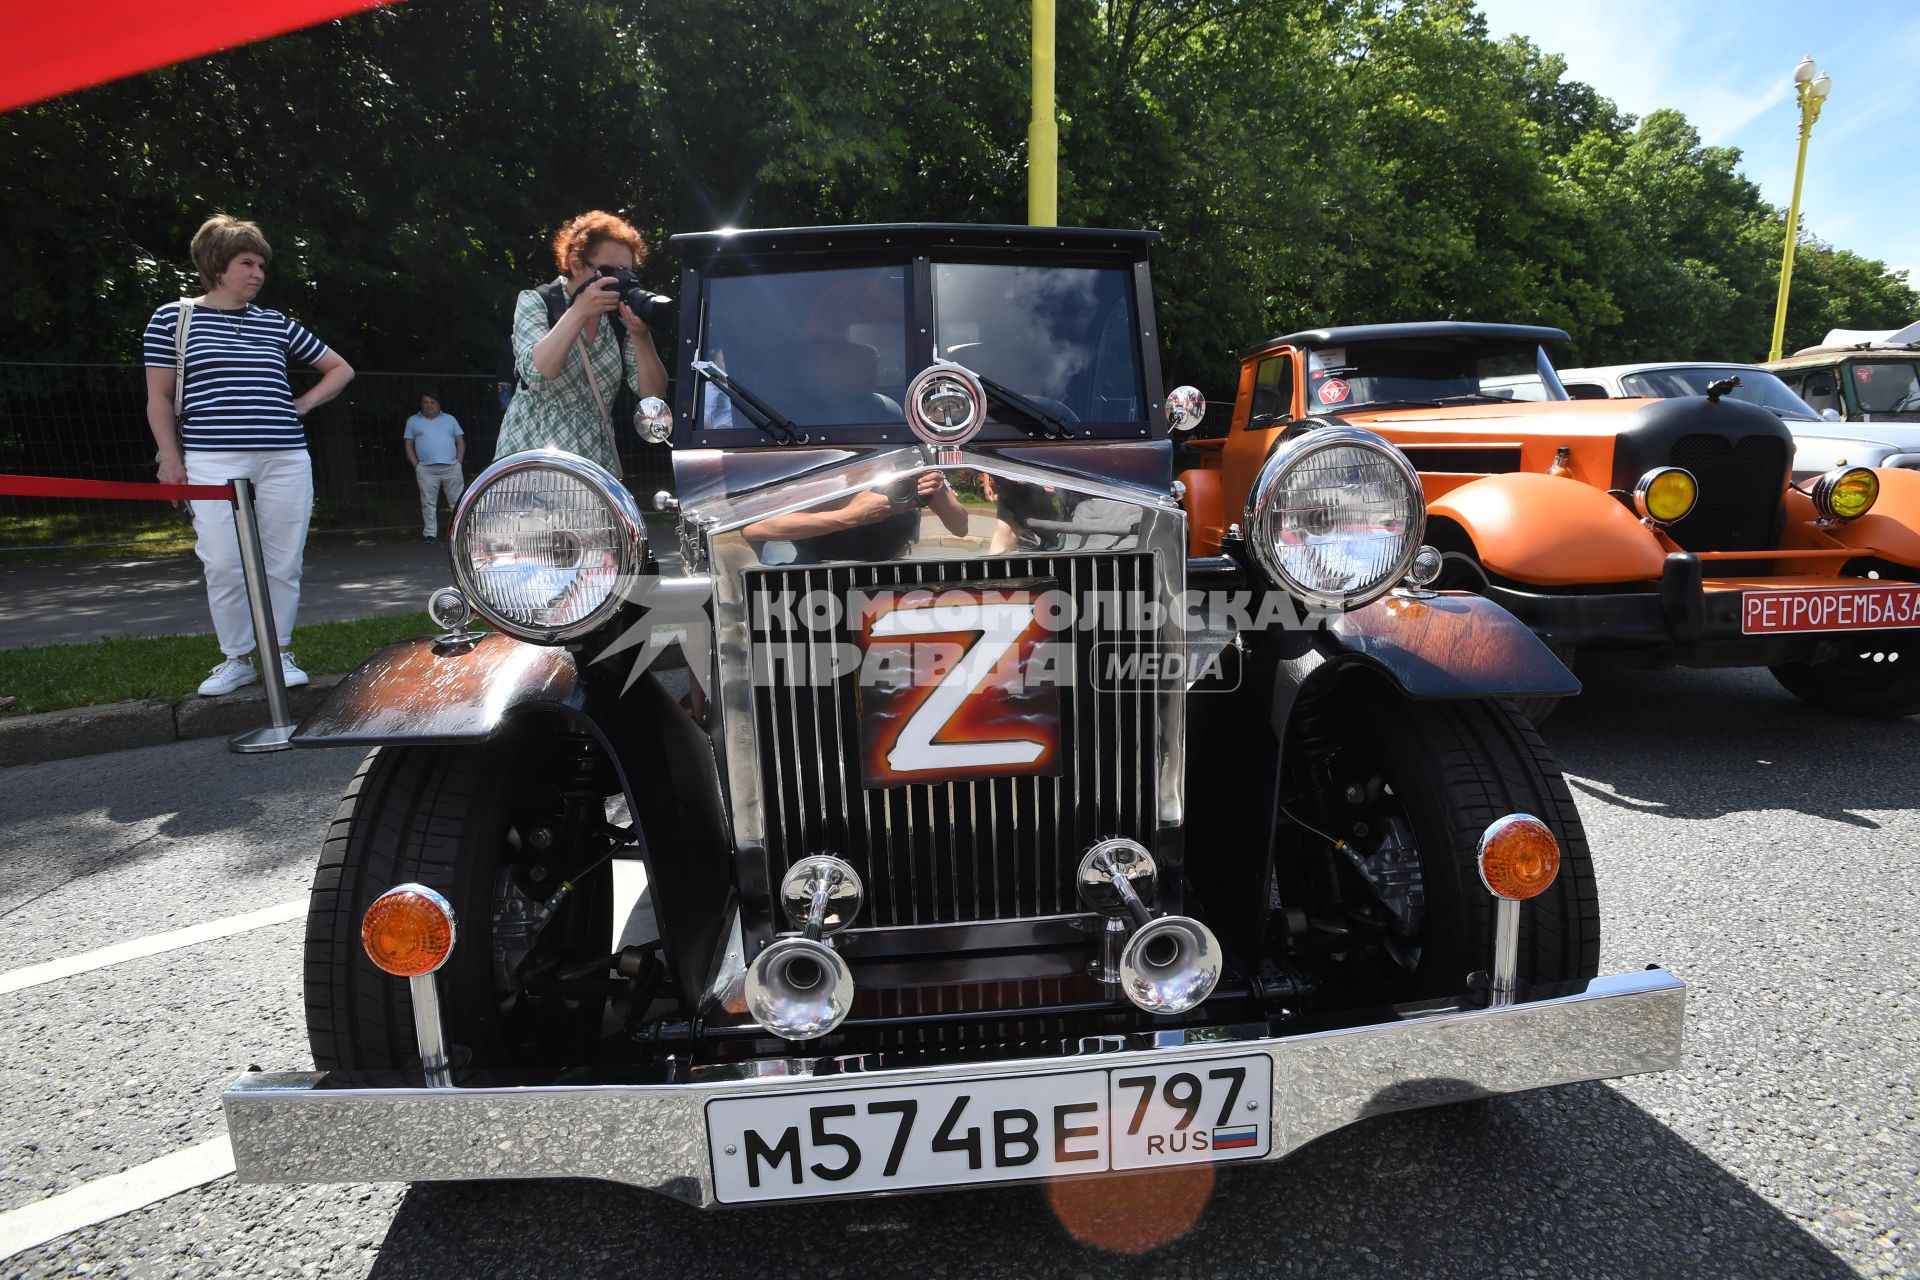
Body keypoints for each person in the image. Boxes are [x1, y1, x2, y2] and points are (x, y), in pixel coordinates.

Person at [143, 214, 354, 696]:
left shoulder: (276, 322)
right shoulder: (173, 318)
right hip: (211, 459)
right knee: (221, 560)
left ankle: (278, 653)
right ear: (217, 265)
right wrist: (168, 458)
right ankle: (236, 659)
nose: (258, 273)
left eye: (261, 264)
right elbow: (158, 397)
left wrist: (300, 405)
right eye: (247, 263)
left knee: (284, 561)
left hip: (284, 457)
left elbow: (340, 369)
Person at [494, 211, 669, 472]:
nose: (619, 280)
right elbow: (538, 373)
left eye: (627, 272)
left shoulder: (616, 321)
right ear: (577, 264)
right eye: (610, 271)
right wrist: (578, 311)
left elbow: (653, 394)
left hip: (592, 464)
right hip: (530, 460)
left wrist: (641, 336)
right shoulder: (537, 301)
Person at [403, 392, 465, 541]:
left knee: (457, 501)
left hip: (451, 467)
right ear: (421, 404)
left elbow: (460, 441)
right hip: (426, 469)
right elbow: (408, 444)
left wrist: (459, 462)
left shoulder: (450, 419)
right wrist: (416, 465)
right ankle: (430, 534)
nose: (429, 405)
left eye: (433, 402)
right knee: (428, 503)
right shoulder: (412, 421)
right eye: (426, 402)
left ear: (439, 405)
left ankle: (458, 532)